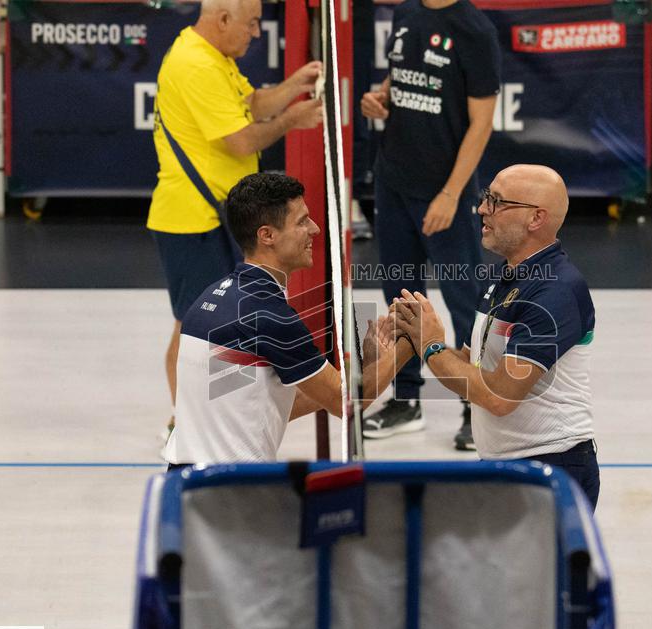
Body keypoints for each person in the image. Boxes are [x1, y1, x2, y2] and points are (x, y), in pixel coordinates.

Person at [148, 0, 324, 437]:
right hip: (194, 220)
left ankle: (200, 416)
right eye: (250, 24)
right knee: (193, 328)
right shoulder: (195, 64)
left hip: (214, 216)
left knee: (215, 323)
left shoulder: (212, 55)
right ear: (222, 20)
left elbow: (251, 103)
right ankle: (183, 423)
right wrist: (292, 119)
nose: (255, 33)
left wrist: (294, 85)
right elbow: (242, 139)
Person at [162, 173, 415, 467]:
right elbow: (344, 403)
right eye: (302, 221)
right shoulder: (269, 315)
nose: (315, 229)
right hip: (231, 493)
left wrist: (369, 366)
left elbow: (270, 403)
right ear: (267, 235)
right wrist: (410, 344)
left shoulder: (214, 297)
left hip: (184, 481)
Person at [391, 165, 600, 510]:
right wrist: (419, 334)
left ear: (536, 218)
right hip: (511, 463)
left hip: (550, 467)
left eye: (497, 201)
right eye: (486, 197)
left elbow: (499, 396)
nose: (482, 209)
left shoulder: (555, 290)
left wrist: (432, 347)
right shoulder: (503, 277)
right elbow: (476, 370)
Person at [359, 0, 501, 450]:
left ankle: (473, 405)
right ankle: (406, 400)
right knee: (400, 293)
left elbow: (481, 124)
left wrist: (450, 194)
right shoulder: (406, 13)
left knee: (465, 300)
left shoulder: (474, 29)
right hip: (394, 180)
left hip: (445, 192)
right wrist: (380, 98)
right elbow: (400, 77)